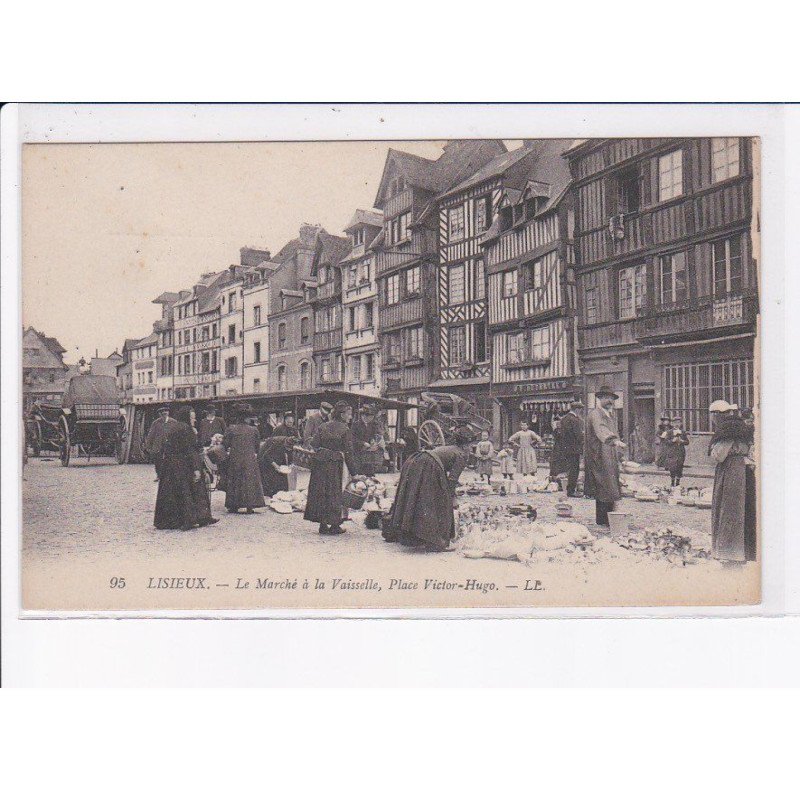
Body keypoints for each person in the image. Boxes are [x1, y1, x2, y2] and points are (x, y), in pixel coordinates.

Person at [386, 425, 475, 552]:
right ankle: (436, 542)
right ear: (466, 445)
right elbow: (452, 479)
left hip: (416, 460)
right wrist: (452, 498)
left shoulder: (452, 448)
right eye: (470, 446)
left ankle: (415, 535)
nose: (471, 449)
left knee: (417, 499)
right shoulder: (462, 455)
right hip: (428, 465)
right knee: (439, 503)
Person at [154, 406, 218, 530]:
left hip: (171, 465)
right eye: (192, 418)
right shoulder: (187, 429)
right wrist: (196, 468)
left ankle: (173, 521)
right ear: (187, 418)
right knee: (193, 490)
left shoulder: (174, 427)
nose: (194, 420)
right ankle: (197, 518)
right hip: (184, 465)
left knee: (173, 493)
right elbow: (191, 450)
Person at [709, 400, 756, 563]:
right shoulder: (741, 427)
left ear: (717, 415)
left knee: (729, 509)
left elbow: (719, 455)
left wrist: (714, 450)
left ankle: (729, 552)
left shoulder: (727, 430)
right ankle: (743, 552)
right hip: (744, 469)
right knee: (743, 508)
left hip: (731, 471)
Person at [304, 401, 361, 536]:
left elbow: (314, 444)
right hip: (334, 464)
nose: (350, 417)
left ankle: (323, 525)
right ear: (342, 415)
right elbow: (348, 453)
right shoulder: (345, 429)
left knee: (320, 493)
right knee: (334, 494)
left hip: (320, 463)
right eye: (349, 414)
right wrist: (354, 473)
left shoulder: (323, 426)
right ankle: (335, 525)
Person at [584, 386, 626, 526]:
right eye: (607, 398)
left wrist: (620, 455)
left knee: (610, 484)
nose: (610, 401)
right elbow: (601, 430)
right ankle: (603, 519)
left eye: (612, 398)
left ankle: (609, 517)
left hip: (609, 453)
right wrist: (613, 440)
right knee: (603, 484)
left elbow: (615, 433)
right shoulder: (596, 414)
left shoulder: (610, 415)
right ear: (600, 398)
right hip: (599, 454)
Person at [223, 405, 265, 514]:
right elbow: (257, 447)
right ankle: (250, 505)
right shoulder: (254, 430)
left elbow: (225, 444)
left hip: (235, 458)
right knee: (249, 481)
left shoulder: (231, 429)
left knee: (235, 480)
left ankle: (234, 505)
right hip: (249, 459)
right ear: (247, 418)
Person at [558, 400, 585, 497]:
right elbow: (578, 435)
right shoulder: (575, 420)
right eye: (580, 410)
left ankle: (569, 489)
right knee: (574, 469)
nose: (580, 412)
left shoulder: (564, 419)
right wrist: (583, 437)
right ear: (577, 410)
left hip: (565, 448)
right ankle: (571, 491)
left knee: (569, 469)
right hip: (574, 448)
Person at [144, 405, 176, 482]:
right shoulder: (156, 423)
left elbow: (177, 434)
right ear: (159, 414)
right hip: (158, 445)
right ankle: (159, 475)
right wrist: (148, 446)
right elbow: (151, 435)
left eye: (166, 411)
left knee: (170, 460)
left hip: (169, 445)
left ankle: (169, 476)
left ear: (168, 413)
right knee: (158, 461)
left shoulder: (173, 422)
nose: (164, 413)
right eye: (162, 412)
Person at [351, 403, 381, 477]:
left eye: (372, 417)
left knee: (370, 473)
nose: (371, 419)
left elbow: (375, 435)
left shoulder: (372, 425)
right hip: (358, 452)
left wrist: (373, 441)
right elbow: (352, 438)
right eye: (370, 417)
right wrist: (363, 443)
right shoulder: (355, 425)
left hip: (369, 453)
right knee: (360, 473)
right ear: (363, 416)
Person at [663, 417, 690, 487]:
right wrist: (672, 441)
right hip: (672, 452)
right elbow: (666, 442)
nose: (676, 424)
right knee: (672, 467)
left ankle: (678, 483)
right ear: (672, 424)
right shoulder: (669, 432)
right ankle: (672, 483)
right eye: (675, 423)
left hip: (680, 452)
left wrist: (682, 441)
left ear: (681, 423)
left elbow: (687, 442)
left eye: (678, 422)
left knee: (679, 467)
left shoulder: (683, 432)